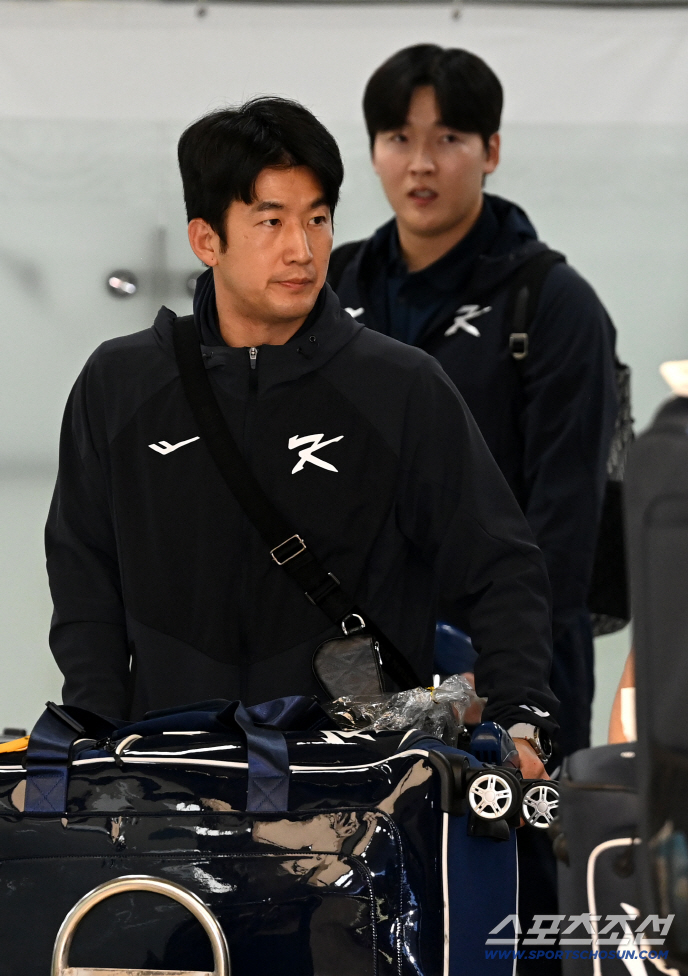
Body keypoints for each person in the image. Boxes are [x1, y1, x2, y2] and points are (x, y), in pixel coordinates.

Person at [46, 96, 557, 779]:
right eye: (271, 221)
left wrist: (521, 721)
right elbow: (84, 580)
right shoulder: (121, 384)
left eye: (317, 219)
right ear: (207, 240)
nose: (303, 248)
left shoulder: (401, 386)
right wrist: (100, 745)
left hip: (358, 785)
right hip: (170, 777)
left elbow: (501, 567)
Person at [328, 46, 618, 976]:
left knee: (519, 910)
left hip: (511, 661)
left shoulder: (553, 304)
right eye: (397, 138)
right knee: (359, 902)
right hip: (364, 664)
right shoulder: (335, 290)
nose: (420, 163)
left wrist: (512, 676)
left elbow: (564, 524)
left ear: (490, 149)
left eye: (447, 138)